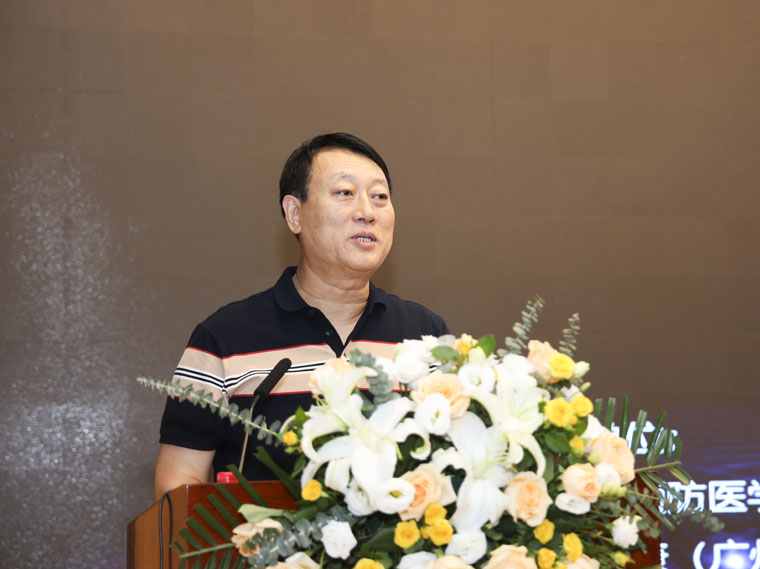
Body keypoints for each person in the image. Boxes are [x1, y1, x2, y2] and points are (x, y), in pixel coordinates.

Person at [153, 133, 449, 501]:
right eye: (345, 193)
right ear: (295, 214)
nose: (367, 212)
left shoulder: (426, 336)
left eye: (379, 197)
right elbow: (177, 485)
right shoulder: (222, 340)